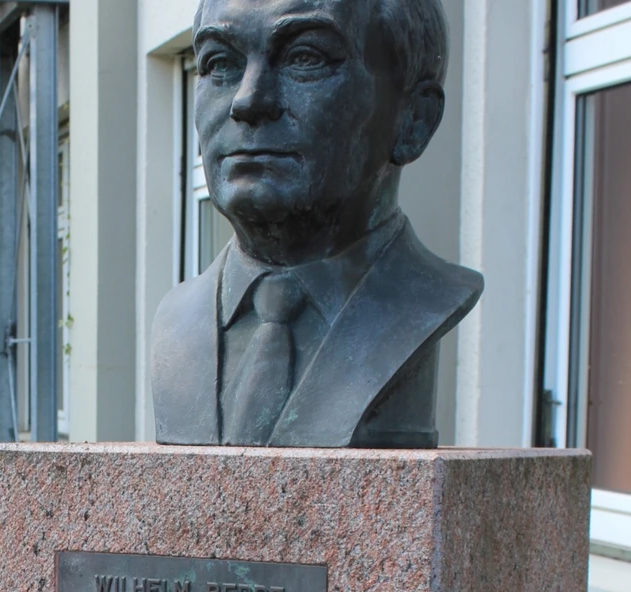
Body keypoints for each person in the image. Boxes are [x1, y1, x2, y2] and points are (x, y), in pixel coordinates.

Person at [151, 0, 483, 448]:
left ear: (414, 120)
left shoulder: (424, 300)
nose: (248, 101)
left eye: (305, 58)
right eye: (220, 63)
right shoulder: (176, 324)